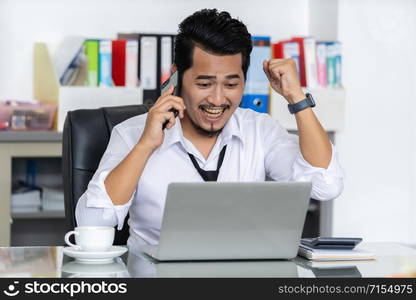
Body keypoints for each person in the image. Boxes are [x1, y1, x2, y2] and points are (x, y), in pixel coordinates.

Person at [76, 9, 344, 248]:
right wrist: (145, 146)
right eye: (204, 84)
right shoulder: (132, 133)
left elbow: (325, 186)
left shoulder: (260, 130)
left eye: (231, 84)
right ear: (176, 76)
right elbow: (93, 220)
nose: (217, 99)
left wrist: (297, 98)